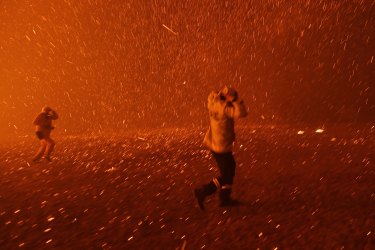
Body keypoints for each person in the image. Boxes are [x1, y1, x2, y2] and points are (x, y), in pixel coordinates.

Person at [194, 86, 247, 209]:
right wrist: (237, 101)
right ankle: (204, 191)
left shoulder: (214, 104)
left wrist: (218, 95)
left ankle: (225, 198)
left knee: (230, 168)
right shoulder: (226, 109)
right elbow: (242, 113)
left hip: (215, 143)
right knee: (226, 175)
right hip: (222, 145)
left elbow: (211, 99)